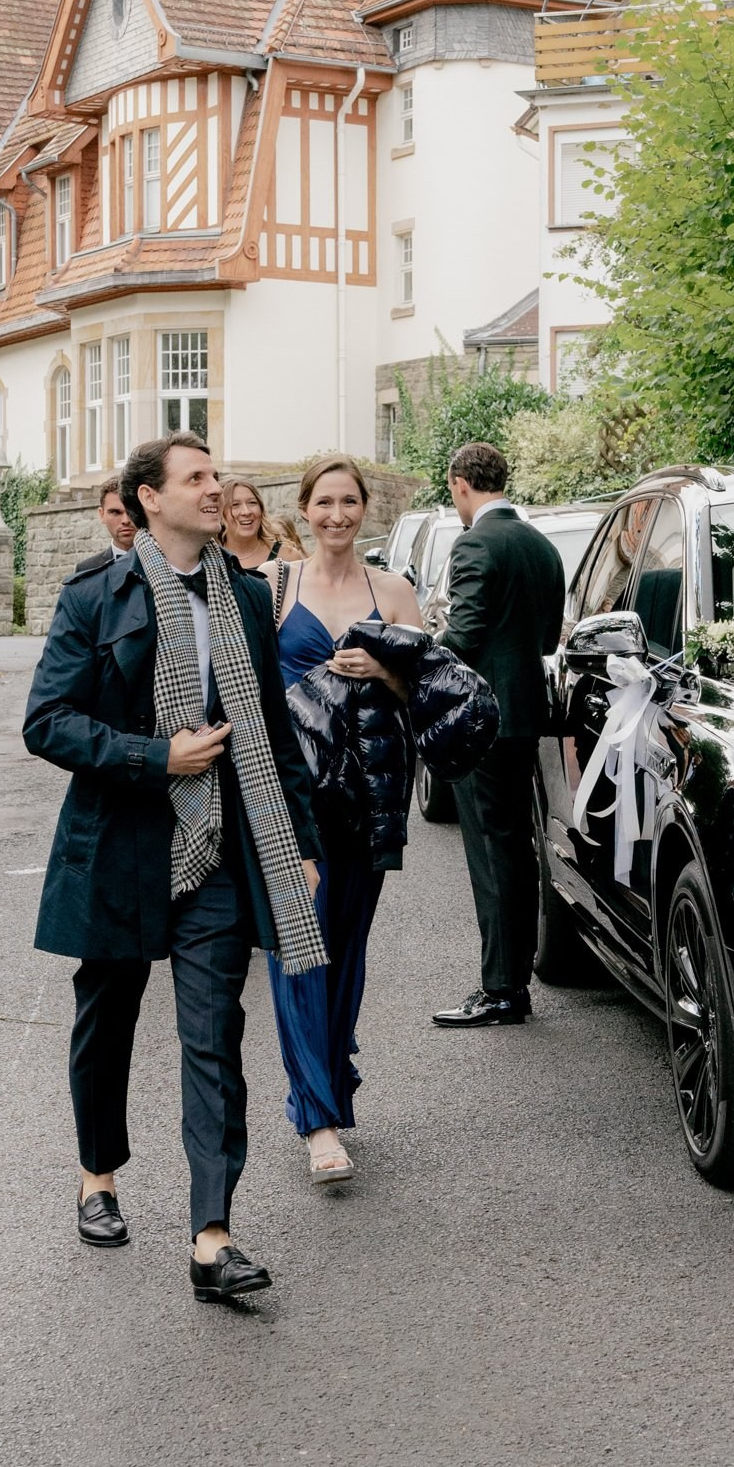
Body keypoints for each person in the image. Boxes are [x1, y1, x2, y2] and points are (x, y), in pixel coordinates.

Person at [24, 432, 325, 1305]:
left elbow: (272, 729)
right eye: (196, 477)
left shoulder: (241, 592)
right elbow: (48, 721)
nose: (216, 487)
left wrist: (297, 844)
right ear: (149, 498)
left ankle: (211, 1237)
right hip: (120, 843)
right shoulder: (96, 595)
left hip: (223, 846)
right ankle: (97, 1174)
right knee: (108, 1016)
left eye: (216, 474)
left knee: (213, 1037)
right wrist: (157, 758)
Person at [260, 454, 420, 1180]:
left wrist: (385, 671)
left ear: (364, 509)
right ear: (303, 509)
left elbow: (432, 688)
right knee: (300, 949)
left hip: (365, 801)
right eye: (323, 502)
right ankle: (318, 1120)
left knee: (345, 952)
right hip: (293, 803)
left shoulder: (393, 590)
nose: (336, 514)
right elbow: (244, 690)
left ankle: (329, 1074)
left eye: (348, 501)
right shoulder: (271, 588)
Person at [431, 440, 568, 1028]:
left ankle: (502, 991)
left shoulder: (475, 542)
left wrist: (412, 656)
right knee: (513, 848)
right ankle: (512, 983)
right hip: (524, 715)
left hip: (482, 720)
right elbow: (544, 639)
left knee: (492, 855)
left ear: (462, 483)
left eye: (453, 492)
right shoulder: (542, 546)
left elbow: (462, 635)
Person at [73, 478, 135, 575]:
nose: (125, 520)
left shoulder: (165, 560)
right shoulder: (86, 570)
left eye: (131, 511)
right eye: (115, 512)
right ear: (102, 515)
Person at [221, 477, 285, 573]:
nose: (246, 512)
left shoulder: (286, 555)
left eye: (252, 503)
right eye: (235, 505)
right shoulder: (207, 558)